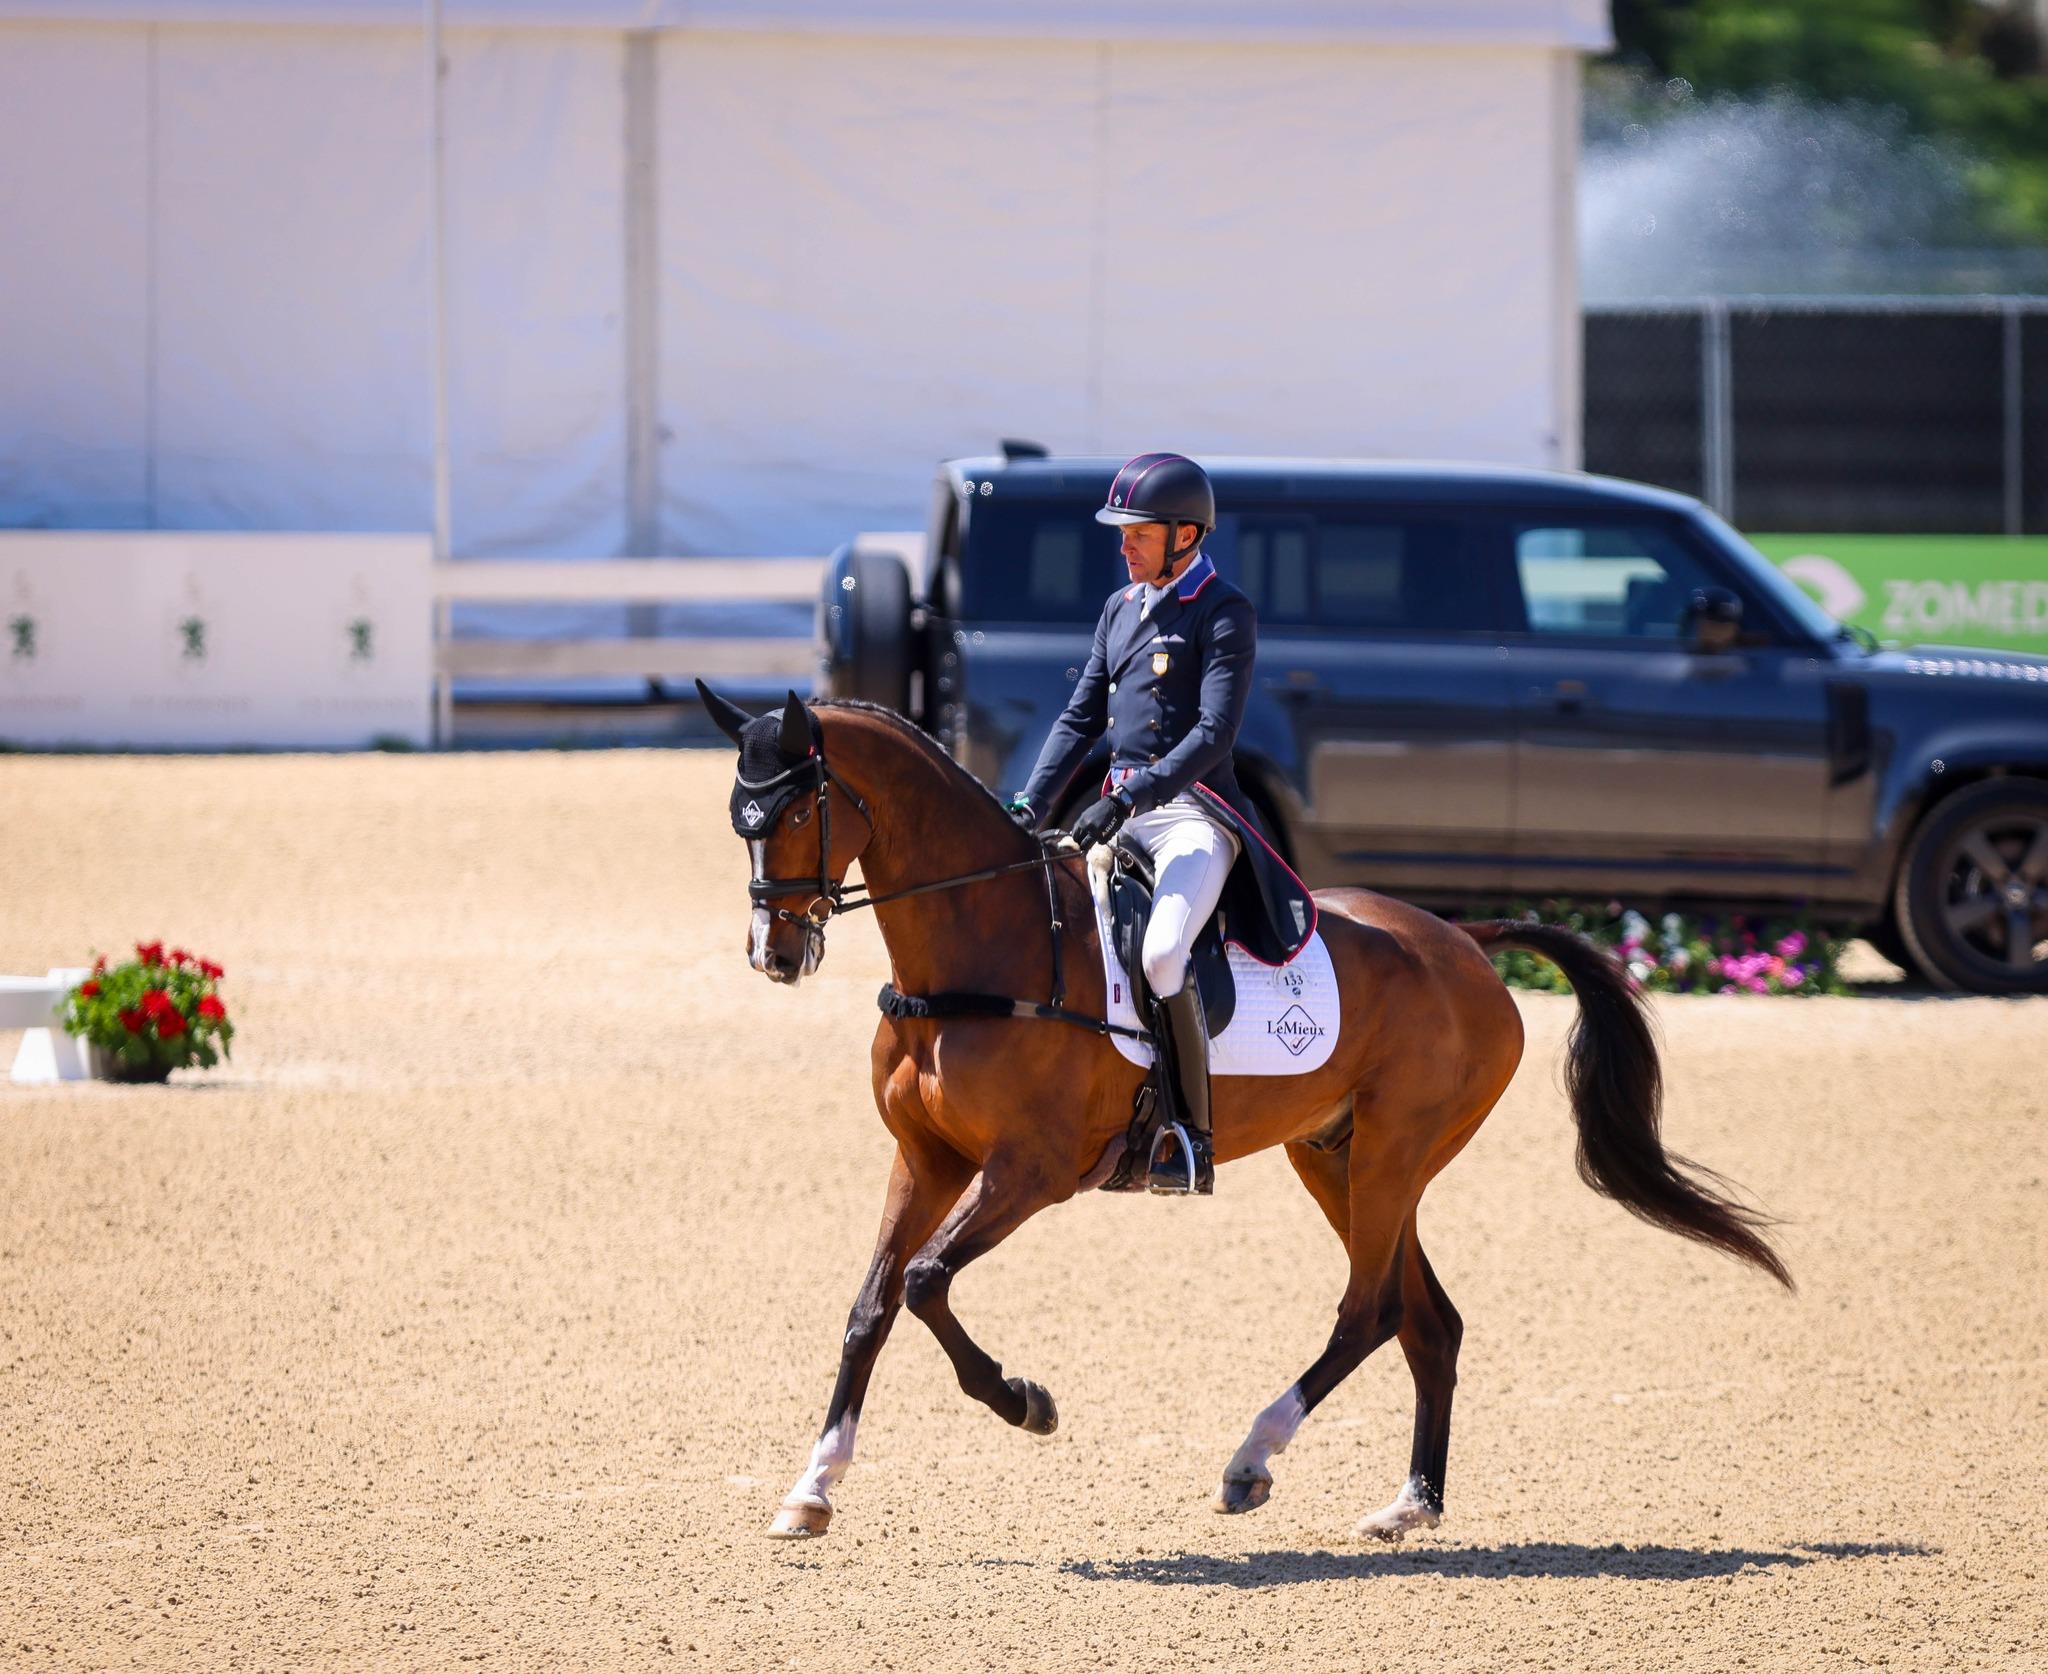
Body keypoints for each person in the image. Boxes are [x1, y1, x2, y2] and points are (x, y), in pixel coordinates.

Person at [1005, 452, 1258, 1196]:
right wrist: (1028, 805)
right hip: (1119, 816)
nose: (1123, 547)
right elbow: (1079, 717)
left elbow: (1213, 733)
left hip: (1191, 817)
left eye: (1137, 535)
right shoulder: (1121, 609)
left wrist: (1131, 795)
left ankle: (1188, 1136)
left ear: (1185, 535)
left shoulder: (1222, 612)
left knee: (1159, 955)